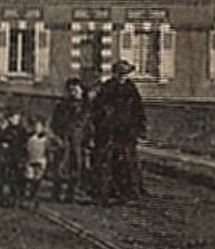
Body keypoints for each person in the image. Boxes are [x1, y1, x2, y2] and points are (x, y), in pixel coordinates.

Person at [90, 60, 147, 204]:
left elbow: (138, 109)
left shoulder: (131, 88)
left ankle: (128, 192)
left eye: (125, 74)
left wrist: (140, 128)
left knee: (127, 162)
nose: (123, 77)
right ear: (115, 74)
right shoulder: (107, 88)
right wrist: (102, 123)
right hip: (109, 132)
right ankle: (104, 192)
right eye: (120, 74)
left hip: (126, 132)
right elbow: (97, 109)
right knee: (106, 161)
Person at [49, 78, 92, 203]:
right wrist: (57, 136)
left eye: (76, 90)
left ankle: (70, 194)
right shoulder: (62, 105)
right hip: (63, 140)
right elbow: (54, 123)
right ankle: (56, 193)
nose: (74, 92)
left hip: (78, 142)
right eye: (71, 90)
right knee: (59, 167)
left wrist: (88, 141)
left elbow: (88, 125)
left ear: (82, 90)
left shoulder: (86, 107)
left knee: (76, 167)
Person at [0, 111, 26, 205]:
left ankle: (13, 197)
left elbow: (25, 144)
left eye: (17, 118)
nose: (15, 120)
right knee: (0, 176)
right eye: (13, 118)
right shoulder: (4, 130)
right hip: (4, 157)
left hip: (16, 157)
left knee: (15, 177)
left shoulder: (22, 131)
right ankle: (0, 195)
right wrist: (1, 144)